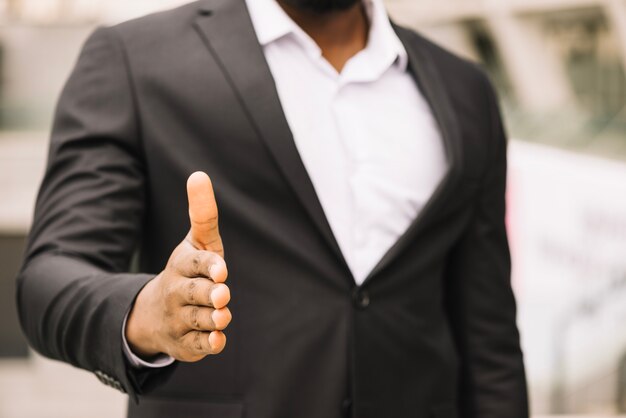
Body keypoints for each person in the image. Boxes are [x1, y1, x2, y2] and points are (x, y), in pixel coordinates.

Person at [16, 0, 529, 416]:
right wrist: (146, 313)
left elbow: (489, 340)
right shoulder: (133, 59)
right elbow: (49, 280)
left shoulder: (465, 90)